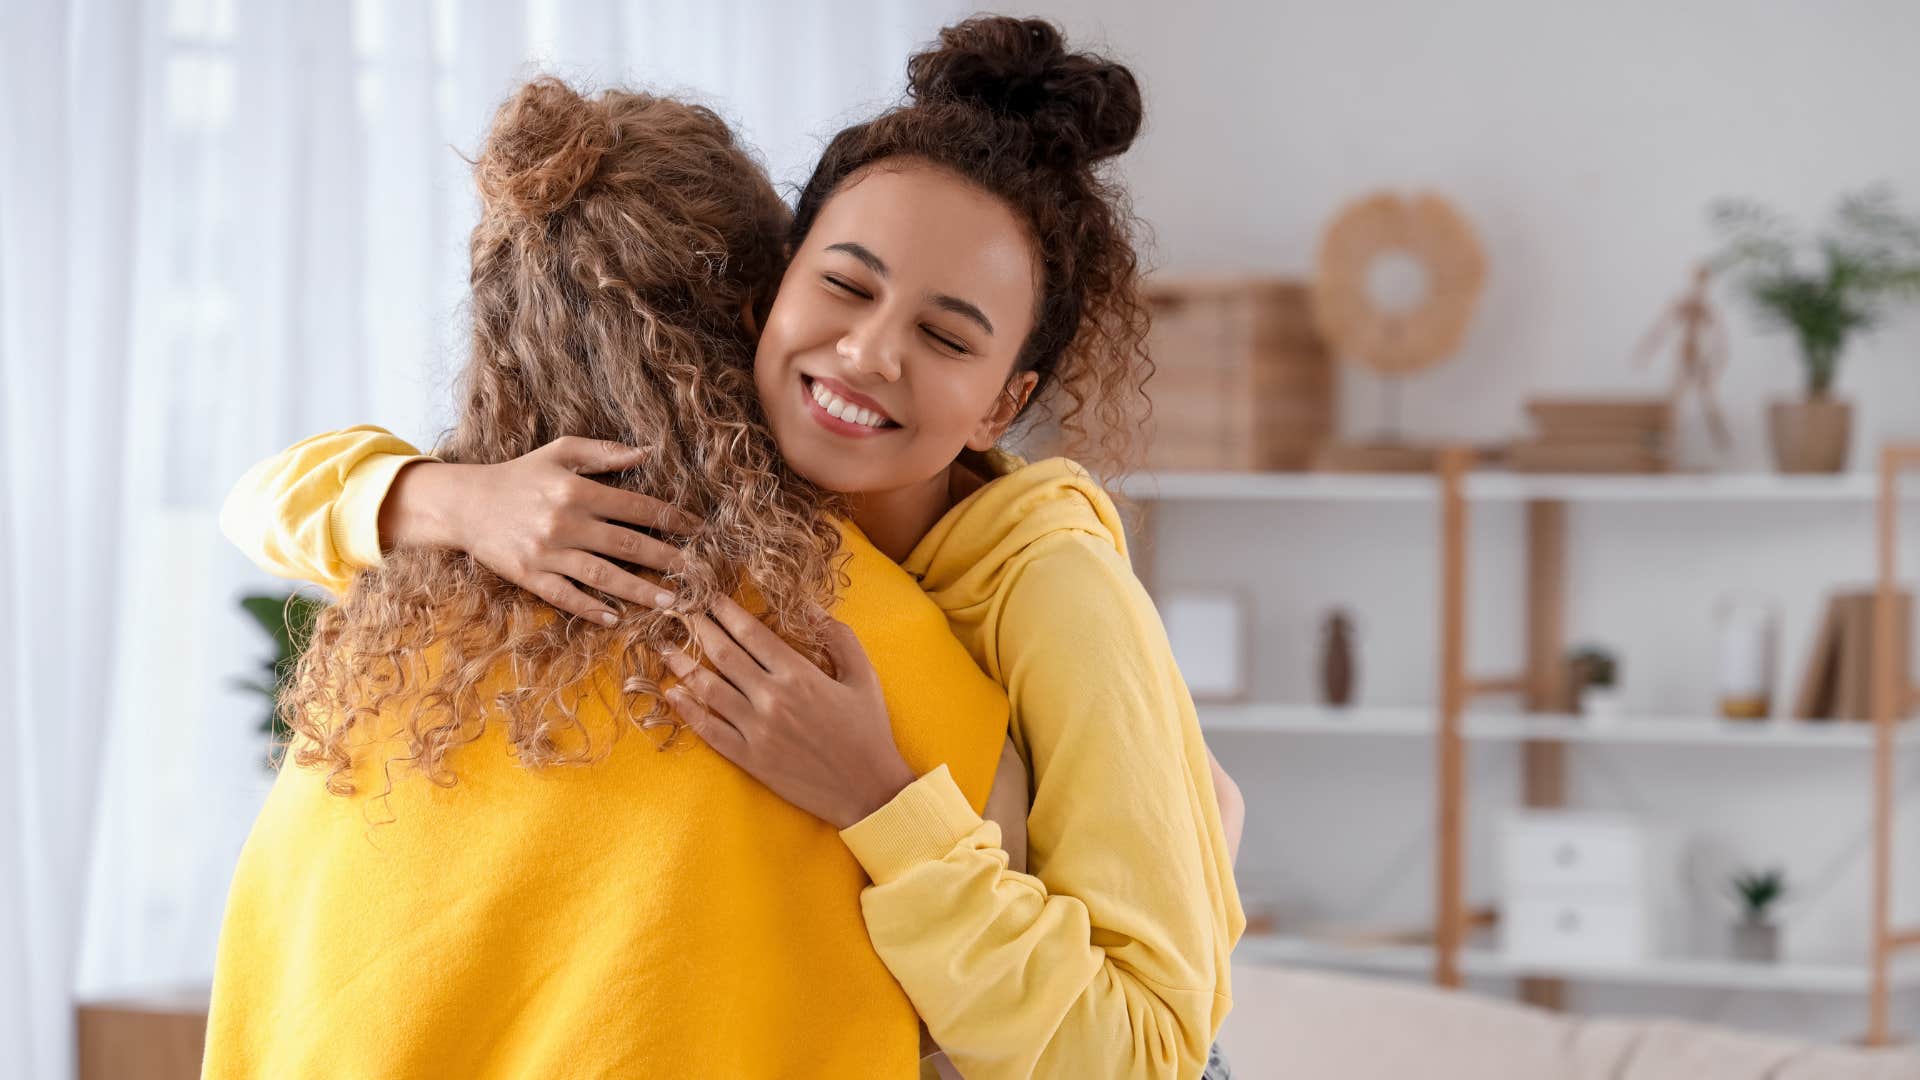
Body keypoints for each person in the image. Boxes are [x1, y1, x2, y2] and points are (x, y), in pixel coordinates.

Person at [228, 17, 1247, 1078]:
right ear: (770, 288)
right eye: (846, 285)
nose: (867, 354)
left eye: (946, 337)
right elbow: (261, 502)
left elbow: (1151, 1053)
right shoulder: (731, 486)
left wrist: (876, 799)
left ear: (1004, 404)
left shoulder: (1055, 591)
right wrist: (453, 500)